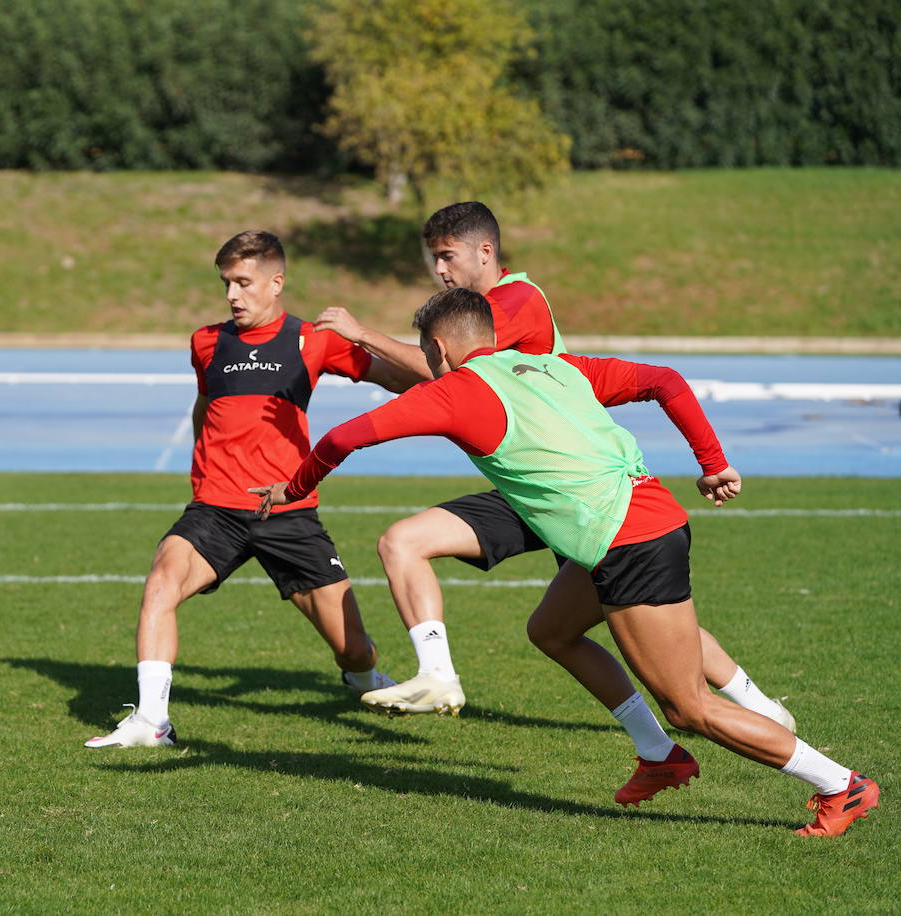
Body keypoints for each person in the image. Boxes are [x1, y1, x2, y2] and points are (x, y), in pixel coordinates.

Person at [252, 287, 879, 836]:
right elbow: (663, 379)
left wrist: (296, 487)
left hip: (627, 541)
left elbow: (344, 435)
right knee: (551, 630)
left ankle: (840, 784)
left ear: (439, 346)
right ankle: (659, 756)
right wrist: (712, 462)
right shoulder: (552, 366)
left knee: (689, 705)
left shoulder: (456, 392)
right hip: (637, 520)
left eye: (428, 352)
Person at [314, 202, 796, 803]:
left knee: (651, 627)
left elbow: (444, 377)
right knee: (424, 551)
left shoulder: (513, 304)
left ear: (484, 252)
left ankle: (756, 713)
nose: (438, 269)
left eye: (447, 256)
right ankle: (654, 747)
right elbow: (426, 380)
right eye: (432, 257)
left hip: (569, 486)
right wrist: (355, 365)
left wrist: (362, 337)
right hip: (531, 482)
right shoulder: (470, 321)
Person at [84, 230, 430, 748]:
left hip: (287, 512)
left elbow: (407, 379)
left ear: (276, 282)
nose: (232, 295)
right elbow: (207, 404)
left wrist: (363, 333)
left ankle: (358, 678)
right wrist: (203, 462)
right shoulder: (207, 341)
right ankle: (152, 721)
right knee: (160, 583)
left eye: (243, 283)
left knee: (356, 651)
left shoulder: (312, 340)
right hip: (215, 511)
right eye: (226, 283)